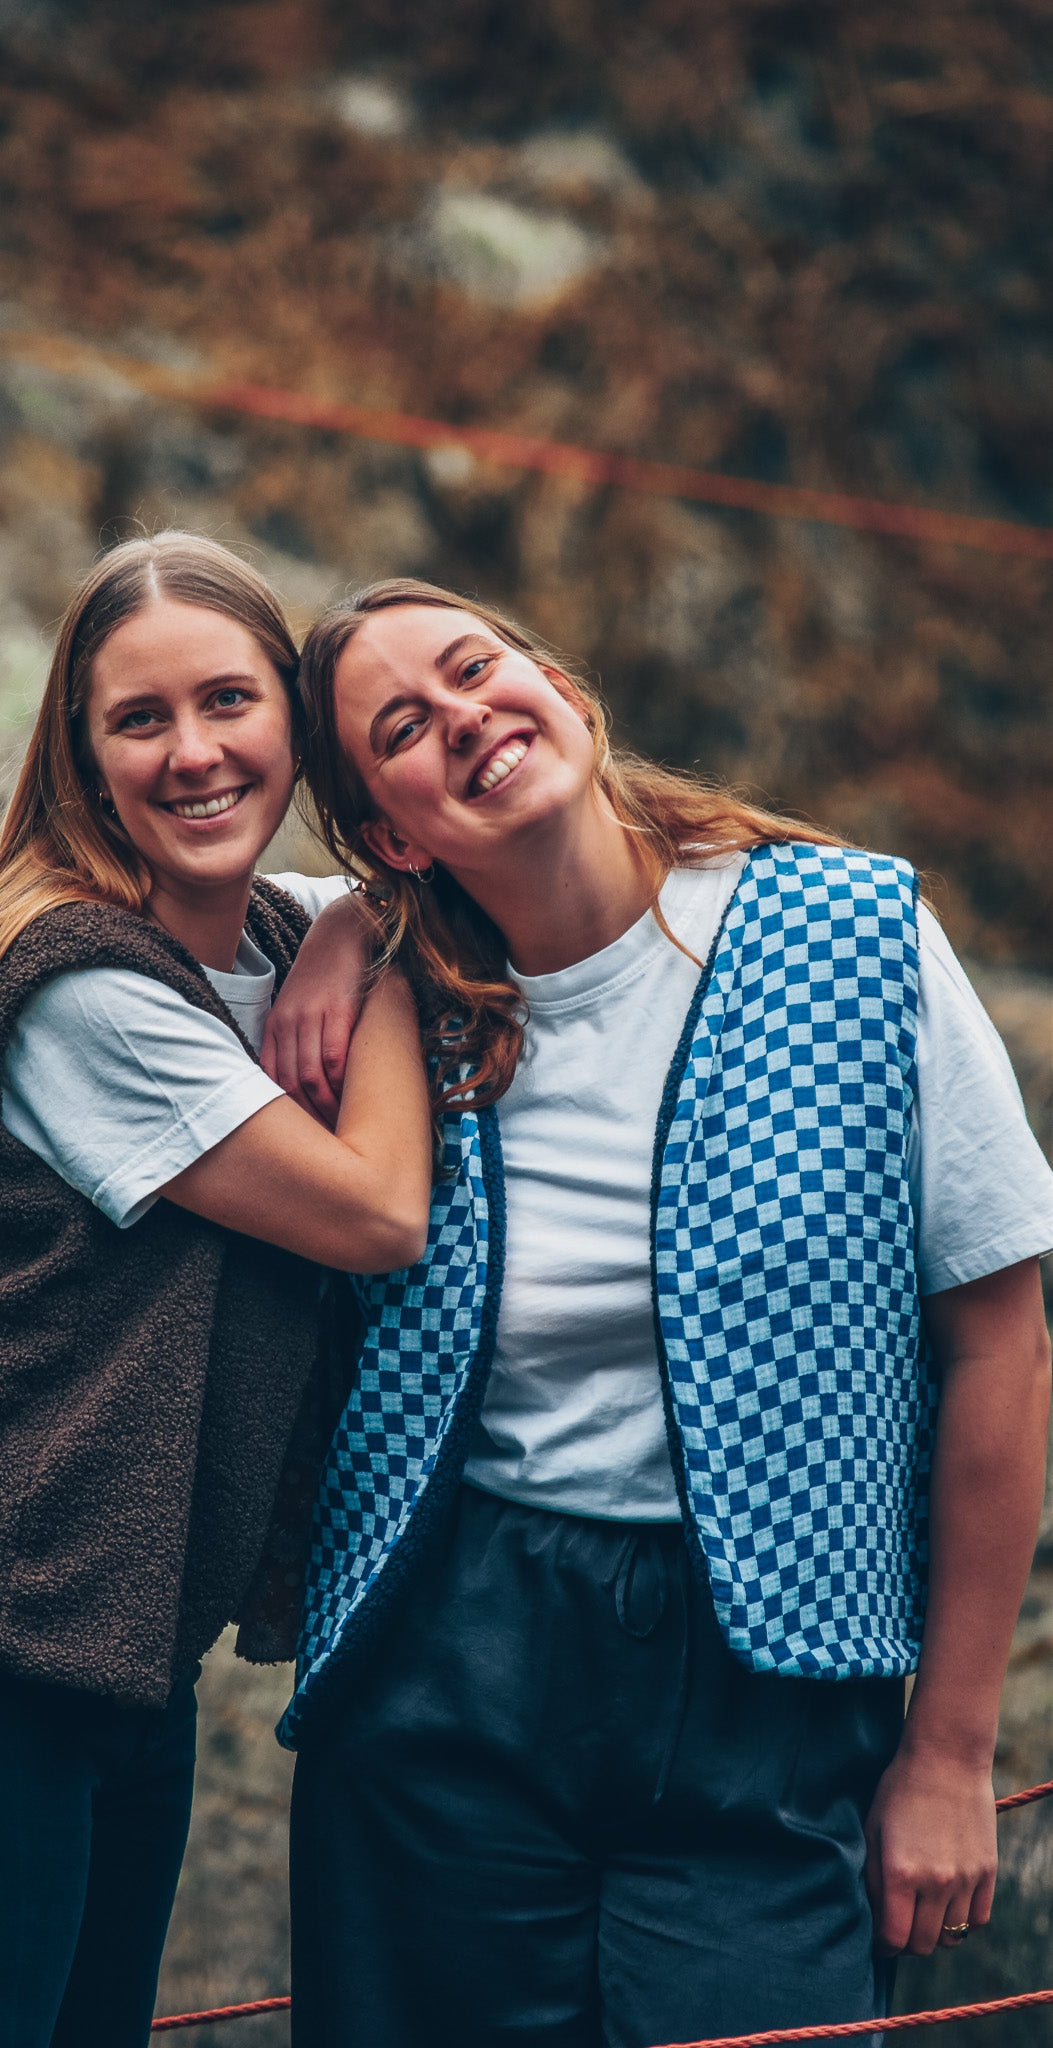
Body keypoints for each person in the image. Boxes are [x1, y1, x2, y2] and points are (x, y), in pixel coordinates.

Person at [267, 577, 1053, 2048]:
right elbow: (169, 908)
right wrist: (351, 929)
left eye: (474, 669)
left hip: (770, 1689)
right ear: (389, 831)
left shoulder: (854, 937)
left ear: (557, 682)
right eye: (403, 730)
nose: (465, 721)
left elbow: (999, 1349)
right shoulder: (400, 1003)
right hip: (448, 1664)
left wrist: (948, 1750)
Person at [0, 535, 431, 2048]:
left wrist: (345, 924)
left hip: (114, 1672)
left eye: (228, 703)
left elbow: (417, 870)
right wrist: (375, 950)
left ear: (296, 729)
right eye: (139, 720)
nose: (192, 753)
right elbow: (380, 1215)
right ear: (81, 755)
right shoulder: (81, 990)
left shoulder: (262, 931)